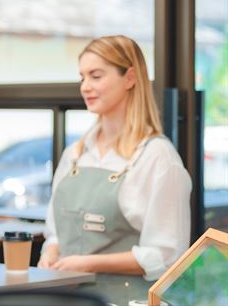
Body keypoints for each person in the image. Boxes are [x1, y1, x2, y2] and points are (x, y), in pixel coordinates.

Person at [37, 35, 191, 304]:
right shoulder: (74, 155)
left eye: (96, 76)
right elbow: (55, 232)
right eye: (82, 77)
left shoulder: (157, 158)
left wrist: (87, 263)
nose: (85, 87)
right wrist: (50, 252)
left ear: (130, 78)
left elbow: (166, 257)